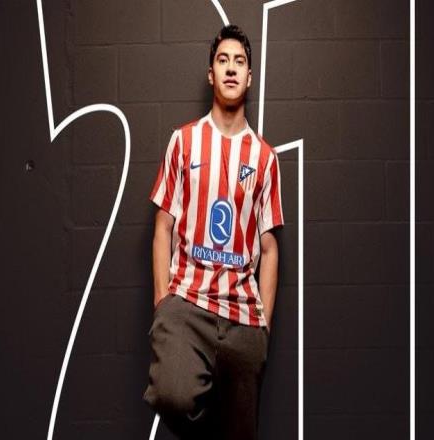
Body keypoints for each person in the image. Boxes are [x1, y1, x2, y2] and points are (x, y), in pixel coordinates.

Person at [143, 24, 284, 440]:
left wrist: (264, 326)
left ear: (249, 77)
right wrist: (163, 303)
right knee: (171, 394)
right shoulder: (183, 141)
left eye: (239, 62)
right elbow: (163, 227)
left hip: (243, 319)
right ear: (211, 74)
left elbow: (269, 248)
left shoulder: (265, 158)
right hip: (188, 305)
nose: (231, 68)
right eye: (223, 60)